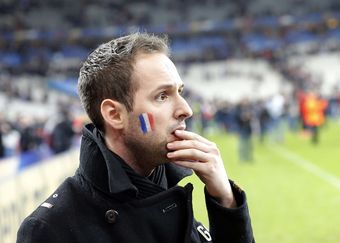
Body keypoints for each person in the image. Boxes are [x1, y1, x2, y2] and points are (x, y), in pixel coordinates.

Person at [17, 33, 254, 243]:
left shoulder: (171, 193)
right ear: (114, 114)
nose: (186, 109)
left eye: (179, 92)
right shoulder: (50, 229)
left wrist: (226, 201)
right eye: (162, 96)